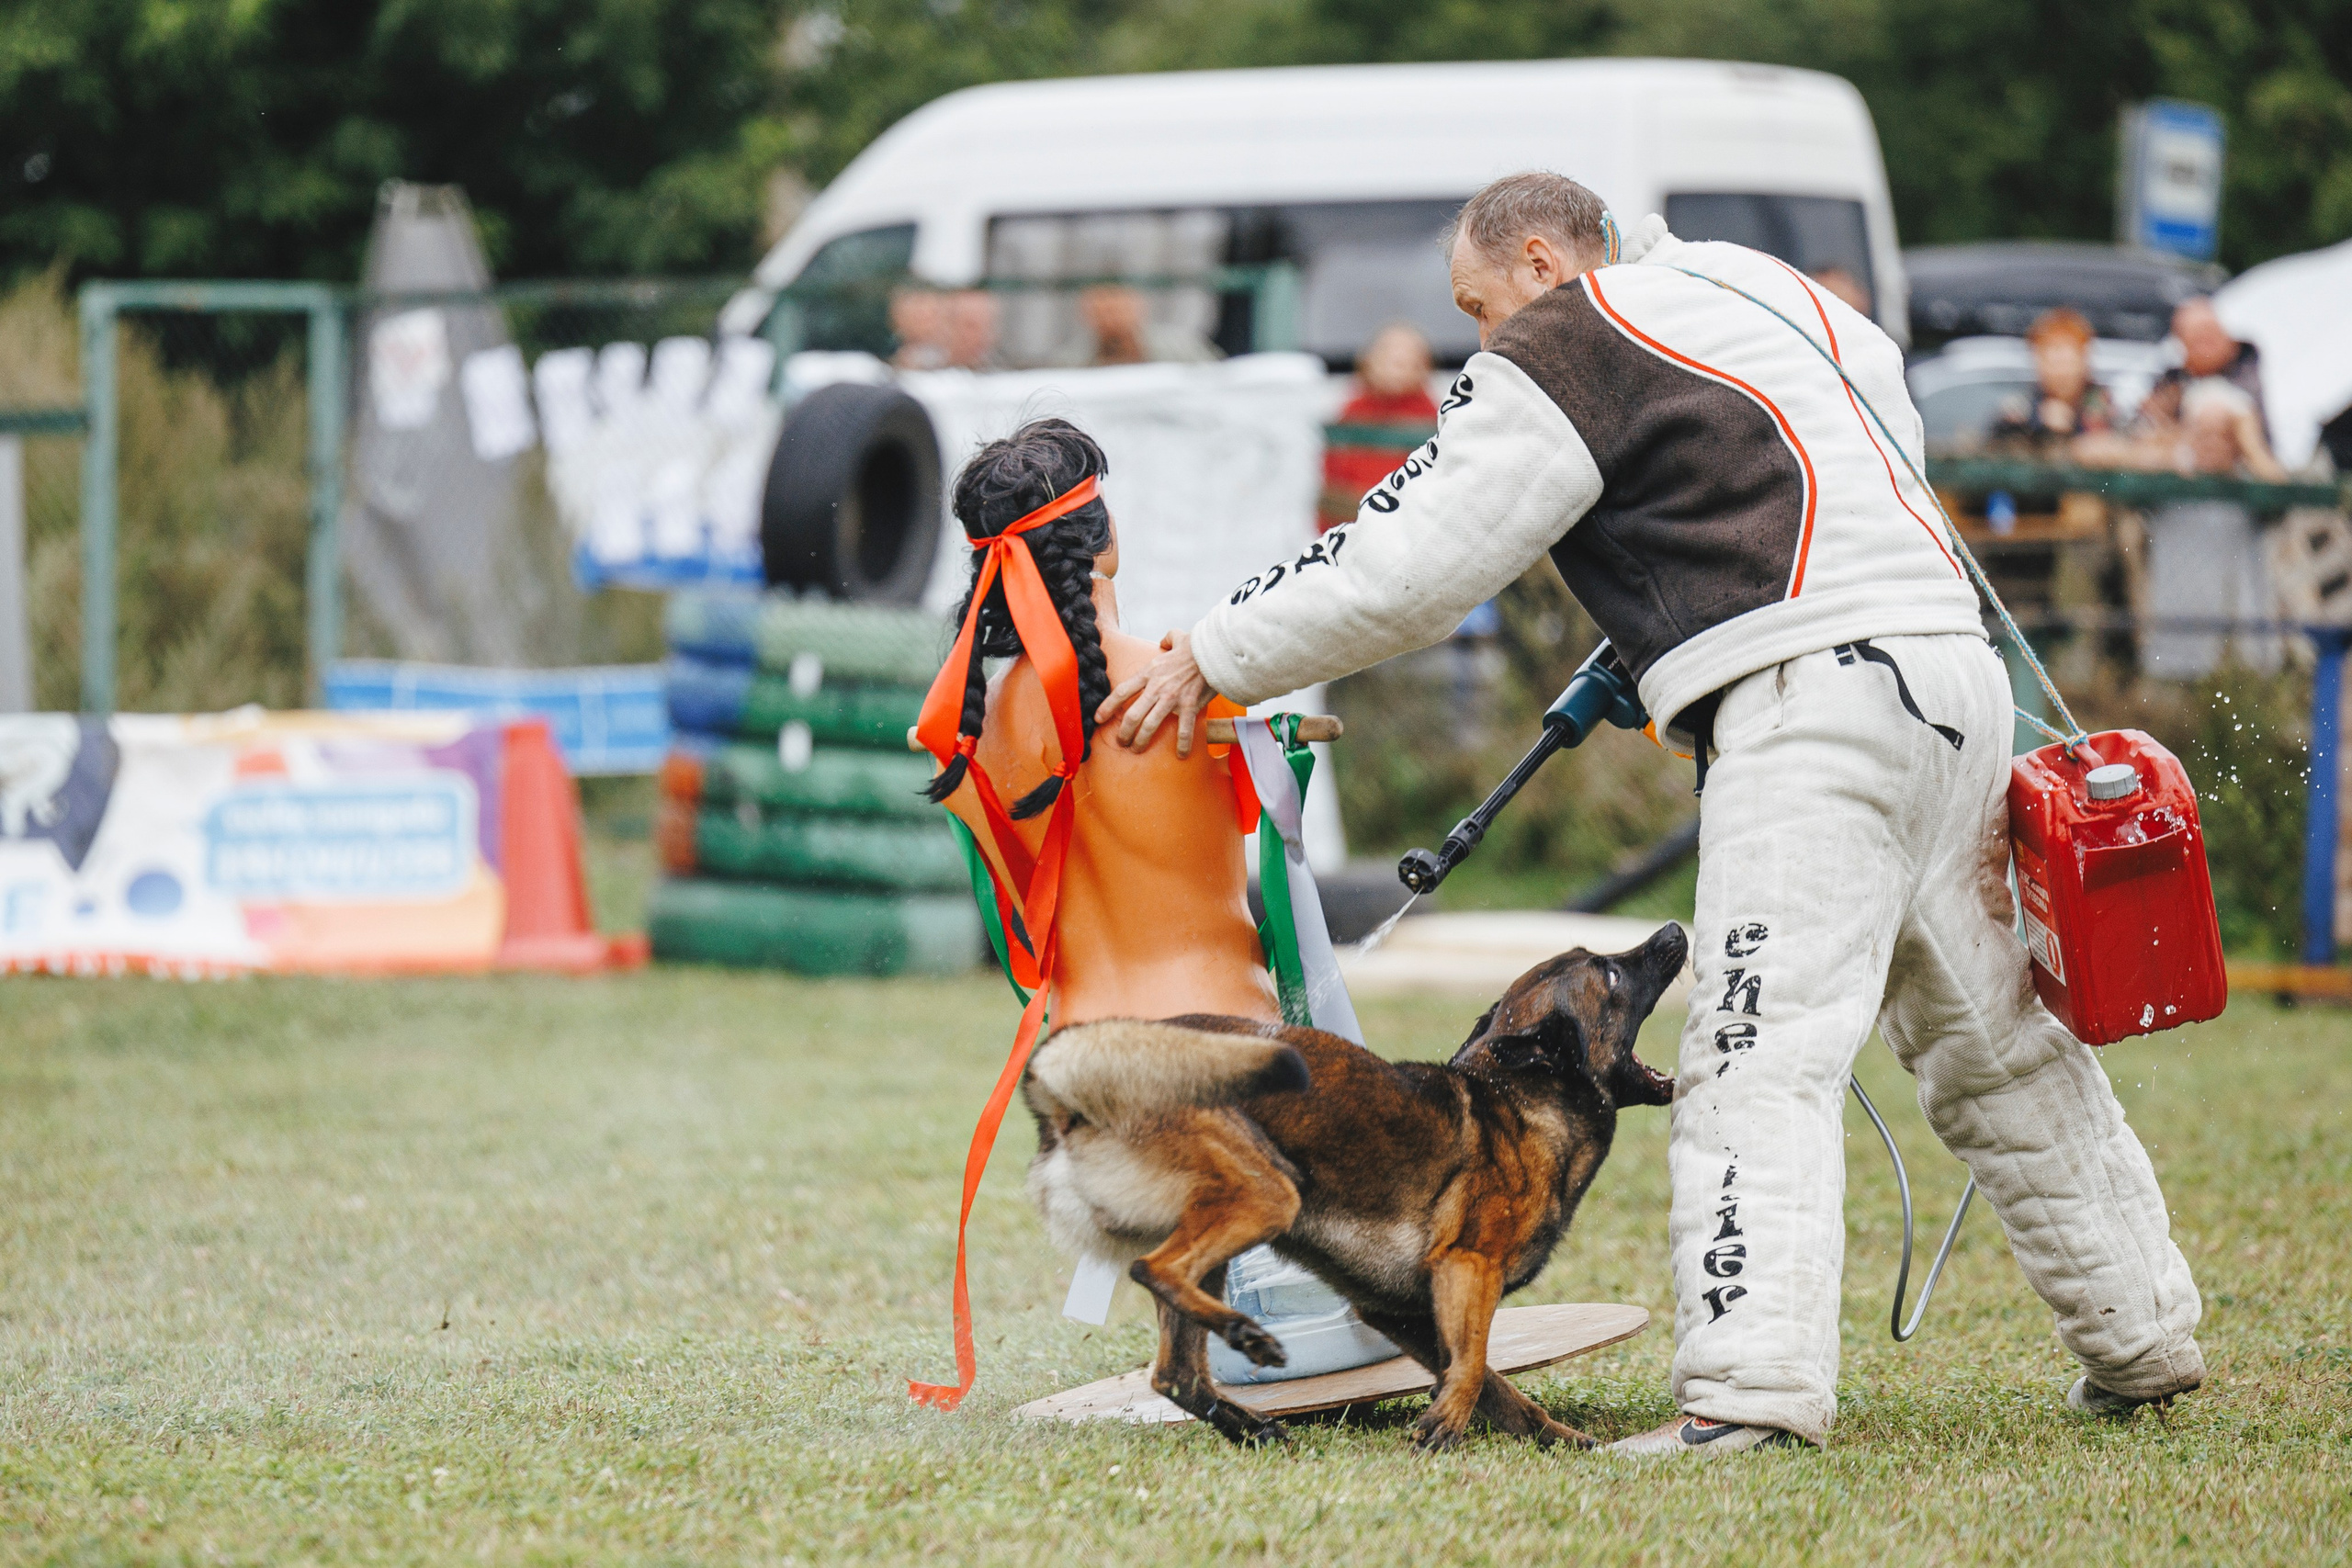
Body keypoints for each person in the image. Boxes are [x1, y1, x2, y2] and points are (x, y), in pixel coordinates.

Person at [1099, 171, 2206, 1454]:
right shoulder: (1781, 293)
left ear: (1537, 259)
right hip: (1953, 683)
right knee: (2005, 1043)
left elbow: (1413, 557)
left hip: (1814, 704)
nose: (1481, 338)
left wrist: (1220, 648)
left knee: (1751, 1054)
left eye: (1479, 304)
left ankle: (1749, 1394)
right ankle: (2143, 1337)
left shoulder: (1575, 332)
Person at [1322, 324, 1441, 532]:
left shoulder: (1435, 418)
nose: (1399, 364)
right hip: (1354, 532)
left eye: (1410, 358)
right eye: (1388, 354)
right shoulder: (1350, 415)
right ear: (1369, 360)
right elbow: (1332, 489)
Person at [2137, 297, 2268, 446]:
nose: (2207, 346)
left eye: (2212, 334)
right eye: (2197, 339)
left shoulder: (2246, 372)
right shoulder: (2175, 378)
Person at [1990, 308, 2120, 455]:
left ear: (2085, 360)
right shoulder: (2020, 411)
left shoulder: (2105, 406)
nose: (2061, 373)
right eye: (2052, 362)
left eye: (2067, 361)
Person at [1057, 284, 1221, 367]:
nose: (1110, 320)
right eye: (1101, 312)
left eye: (1116, 311)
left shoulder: (1181, 348)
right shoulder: (1073, 360)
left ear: (1138, 309)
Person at [941, 288, 1005, 372]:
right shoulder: (927, 372)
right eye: (971, 326)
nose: (983, 336)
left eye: (987, 326)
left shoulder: (1001, 373)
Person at [888, 286, 948, 370]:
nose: (921, 320)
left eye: (929, 316)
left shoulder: (947, 358)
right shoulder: (889, 350)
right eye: (916, 315)